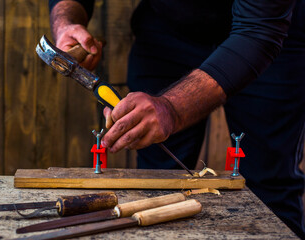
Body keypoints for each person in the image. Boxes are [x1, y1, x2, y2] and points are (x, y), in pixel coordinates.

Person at [49, 0, 305, 238]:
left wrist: (171, 108)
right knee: (155, 184)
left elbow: (258, 29)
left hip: (267, 35)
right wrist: (67, 20)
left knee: (270, 190)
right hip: (167, 30)